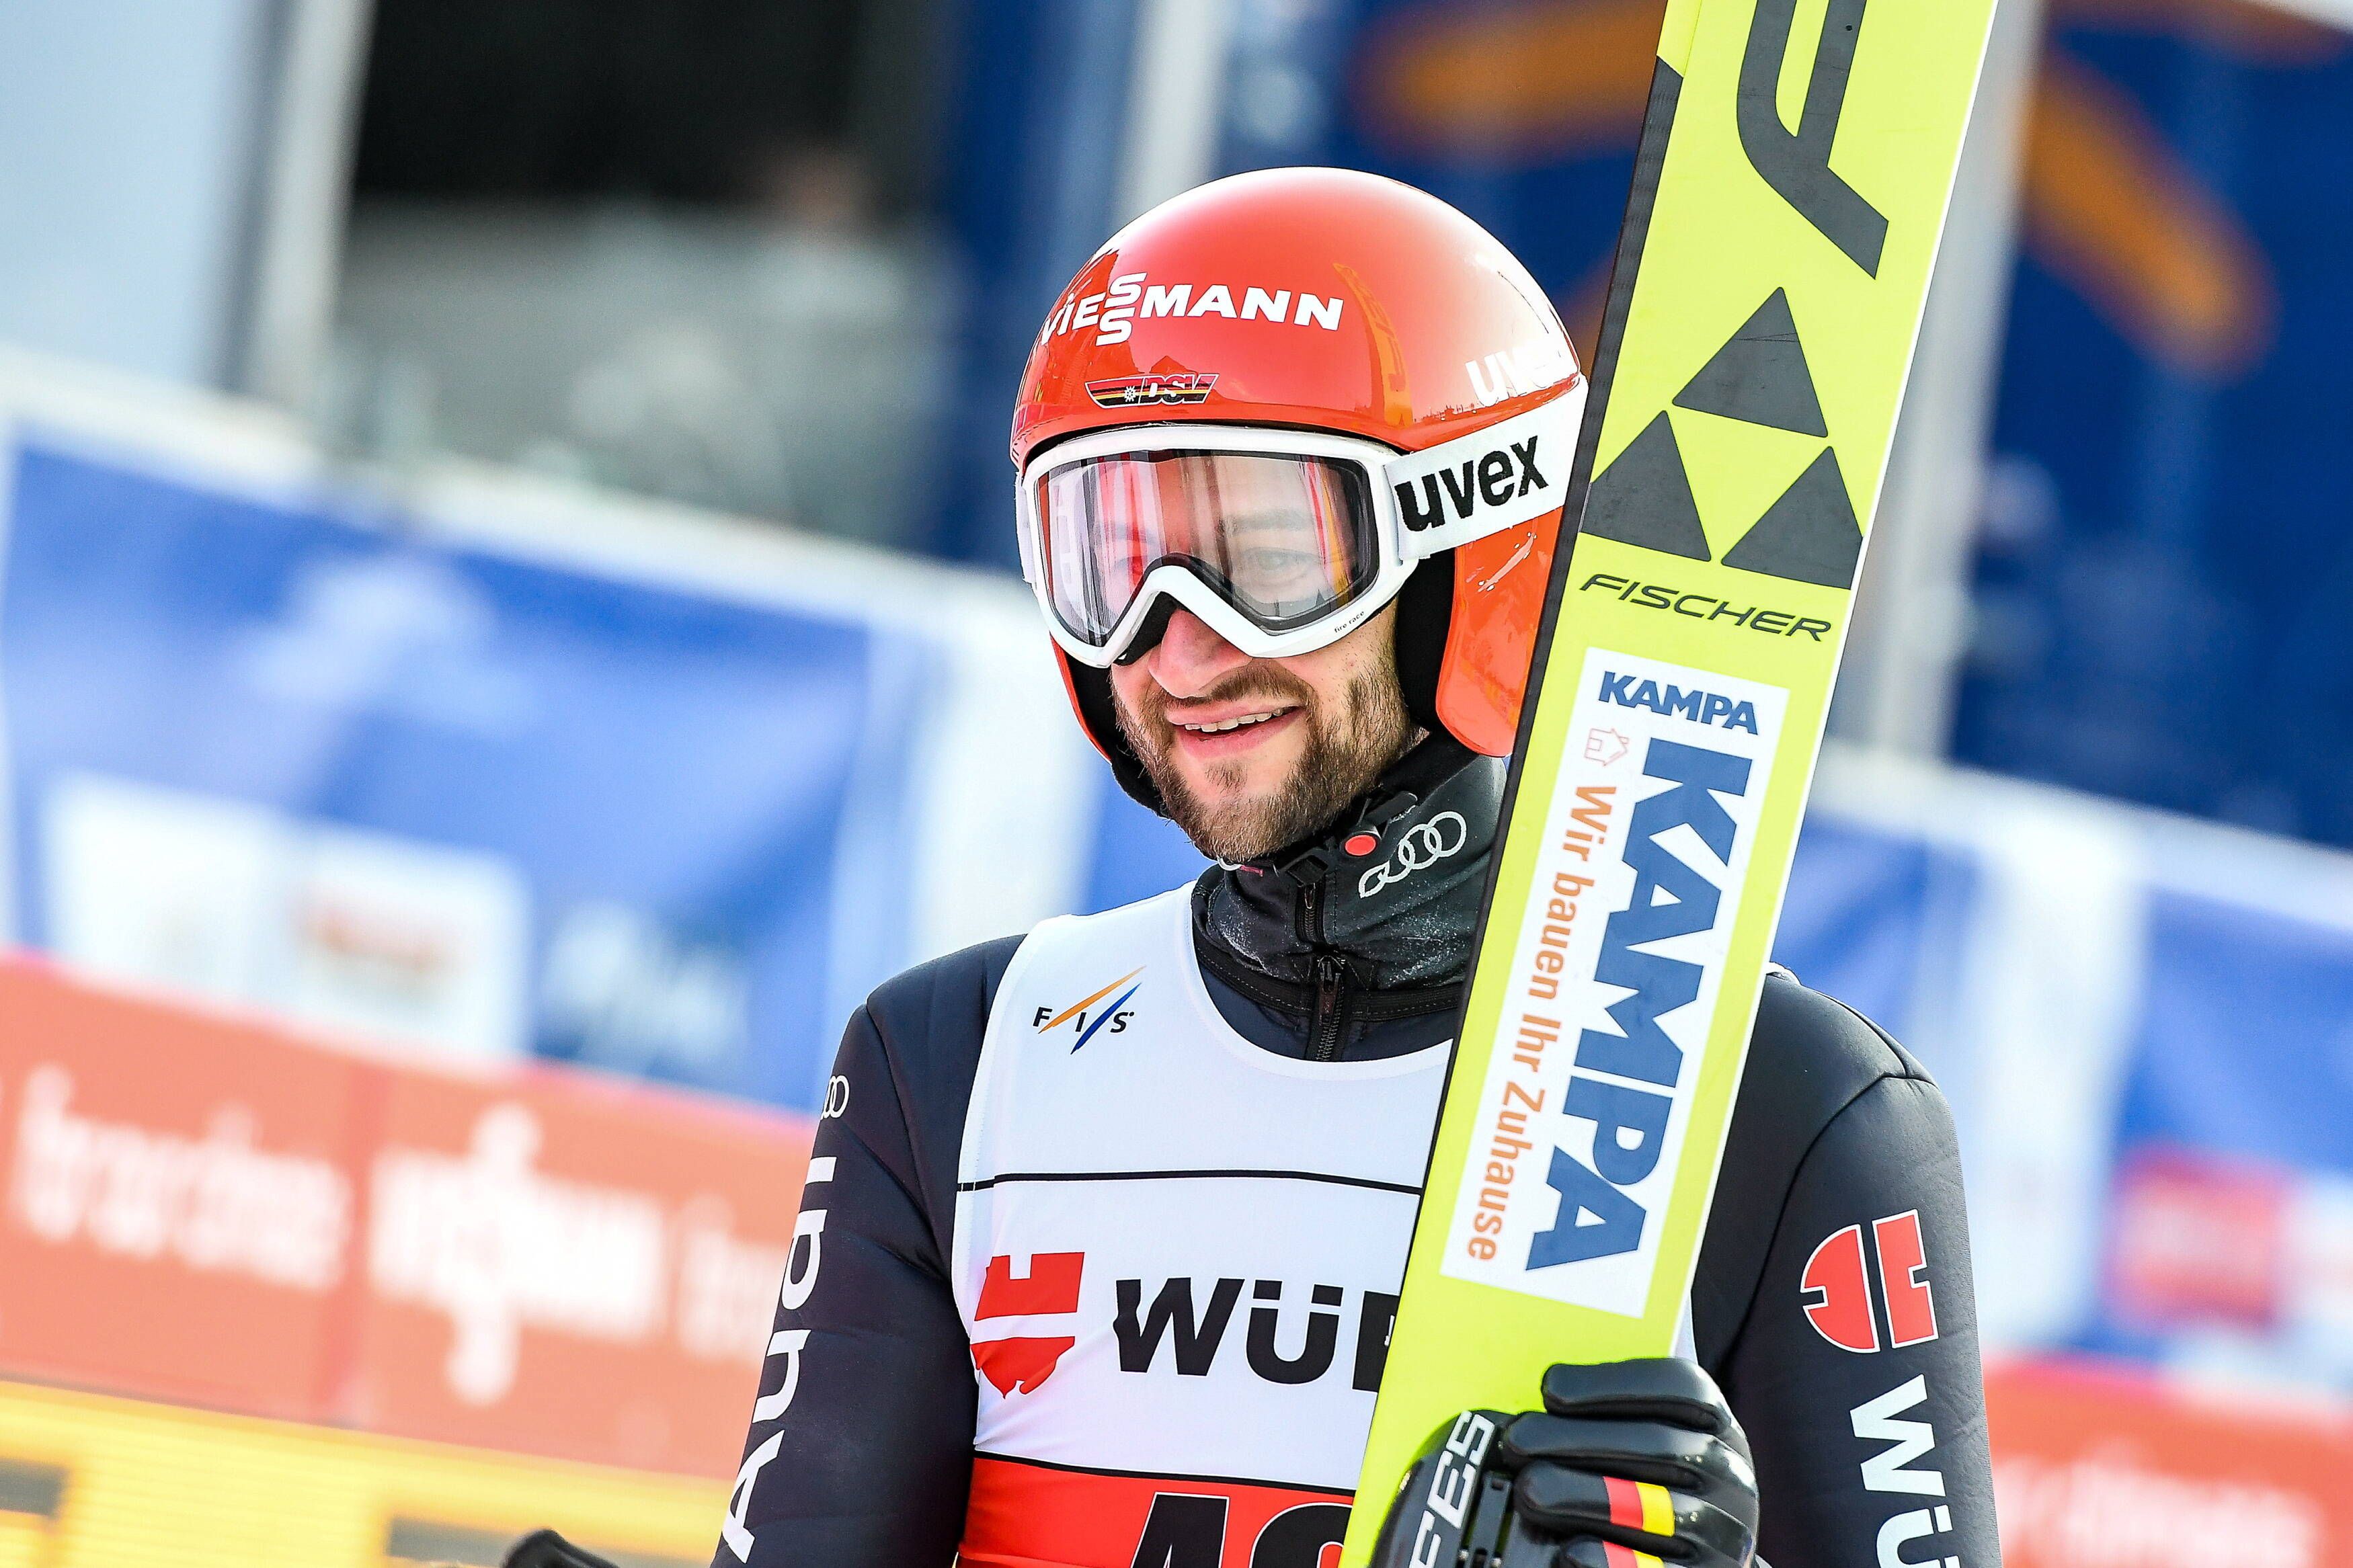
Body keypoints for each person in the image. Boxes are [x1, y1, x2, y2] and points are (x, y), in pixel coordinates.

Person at [516, 167, 1999, 1568]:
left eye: (1271, 552)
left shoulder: (1787, 1115)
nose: (1181, 641)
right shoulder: (959, 1067)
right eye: (1112, 551)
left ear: (1474, 545)